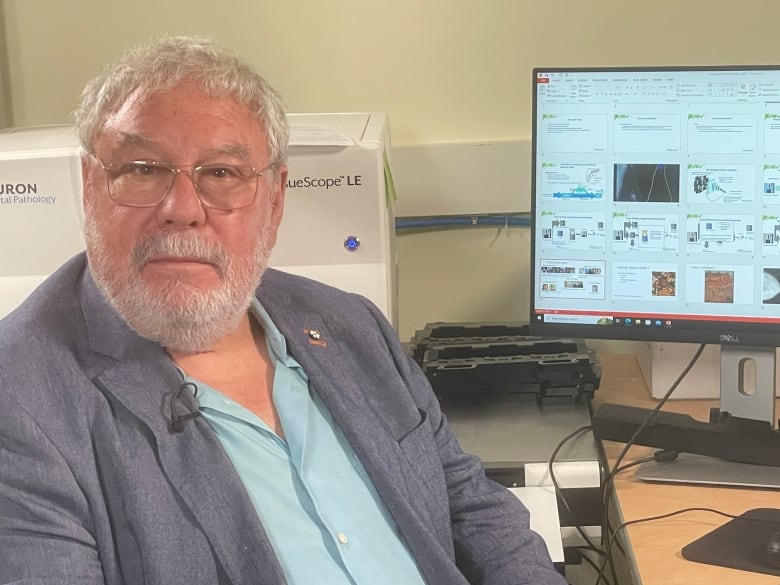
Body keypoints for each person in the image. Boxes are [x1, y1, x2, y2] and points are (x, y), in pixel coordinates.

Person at [0, 36, 567, 585]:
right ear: (90, 189)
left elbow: (471, 506)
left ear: (275, 201)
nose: (181, 210)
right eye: (142, 169)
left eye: (221, 173)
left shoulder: (351, 324)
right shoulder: (21, 400)